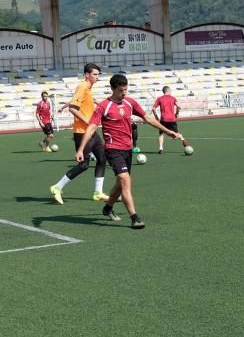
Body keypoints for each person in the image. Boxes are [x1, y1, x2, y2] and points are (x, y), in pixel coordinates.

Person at [75, 73, 182, 230]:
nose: (124, 93)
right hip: (112, 149)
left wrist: (168, 131)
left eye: (125, 90)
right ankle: (135, 217)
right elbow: (91, 127)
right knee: (125, 180)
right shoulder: (104, 106)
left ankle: (108, 207)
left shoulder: (130, 102)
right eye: (120, 90)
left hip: (127, 149)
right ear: (113, 88)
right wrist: (81, 149)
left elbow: (148, 118)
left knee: (120, 183)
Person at [49, 63, 109, 204]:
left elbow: (78, 102)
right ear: (87, 75)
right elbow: (73, 109)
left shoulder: (87, 88)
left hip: (91, 131)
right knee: (83, 165)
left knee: (102, 159)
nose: (97, 77)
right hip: (82, 132)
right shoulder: (82, 86)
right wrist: (88, 122)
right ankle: (57, 187)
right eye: (95, 74)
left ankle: (98, 192)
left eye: (98, 74)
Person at [151, 85, 181, 154]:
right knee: (176, 135)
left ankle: (161, 148)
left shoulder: (159, 98)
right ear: (169, 91)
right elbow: (179, 106)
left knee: (161, 134)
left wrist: (156, 117)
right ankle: (185, 144)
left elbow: (153, 109)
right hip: (172, 119)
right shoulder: (173, 98)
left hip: (163, 119)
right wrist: (176, 113)